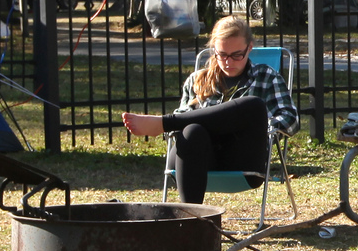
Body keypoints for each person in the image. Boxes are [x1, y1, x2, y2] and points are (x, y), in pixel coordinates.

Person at [122, 16, 298, 204]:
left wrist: (259, 125)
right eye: (222, 54)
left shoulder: (267, 76)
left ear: (250, 48)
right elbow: (184, 121)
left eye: (237, 55)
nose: (229, 62)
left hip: (241, 158)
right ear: (214, 50)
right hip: (197, 157)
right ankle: (193, 219)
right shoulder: (198, 80)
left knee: (253, 105)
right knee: (191, 130)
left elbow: (291, 119)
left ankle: (164, 123)